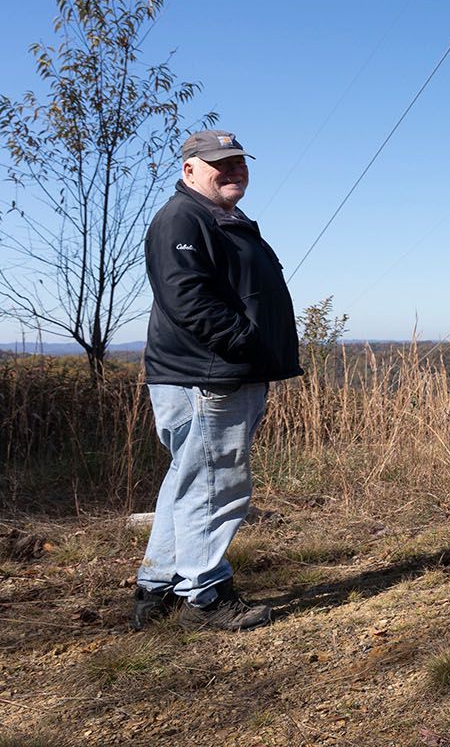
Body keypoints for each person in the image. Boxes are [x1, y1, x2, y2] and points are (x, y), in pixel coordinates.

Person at [131, 130, 301, 631]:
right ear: (189, 170)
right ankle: (204, 594)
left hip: (214, 370)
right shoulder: (182, 218)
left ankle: (158, 585)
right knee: (216, 481)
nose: (232, 171)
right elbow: (187, 299)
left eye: (238, 162)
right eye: (218, 164)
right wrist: (245, 344)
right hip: (210, 374)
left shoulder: (222, 218)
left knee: (189, 477)